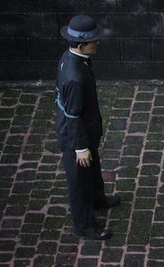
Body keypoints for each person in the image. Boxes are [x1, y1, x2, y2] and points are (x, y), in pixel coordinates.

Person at [55, 15, 120, 240]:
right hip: (77, 137)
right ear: (81, 45)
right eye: (93, 41)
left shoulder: (72, 57)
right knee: (79, 182)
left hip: (86, 131)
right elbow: (73, 116)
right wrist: (80, 147)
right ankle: (84, 225)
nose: (98, 43)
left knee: (92, 169)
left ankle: (97, 199)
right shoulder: (75, 77)